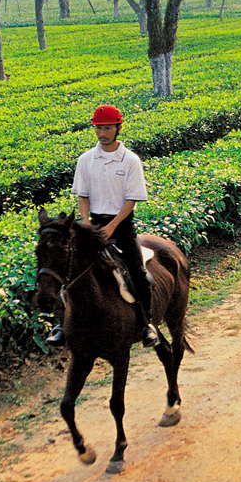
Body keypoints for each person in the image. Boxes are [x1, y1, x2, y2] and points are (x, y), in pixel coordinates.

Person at [48, 104, 159, 348]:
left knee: (137, 272)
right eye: (98, 128)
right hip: (93, 222)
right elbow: (83, 195)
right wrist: (86, 222)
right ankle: (59, 324)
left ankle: (146, 323)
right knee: (65, 266)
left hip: (121, 225)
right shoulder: (86, 160)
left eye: (107, 128)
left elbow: (131, 200)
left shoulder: (130, 160)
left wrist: (112, 227)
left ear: (118, 128)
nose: (102, 133)